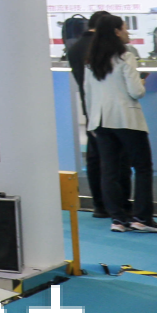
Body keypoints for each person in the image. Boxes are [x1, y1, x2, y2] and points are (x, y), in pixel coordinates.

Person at [82, 12, 157, 234]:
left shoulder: (91, 61)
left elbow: (88, 94)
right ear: (116, 32)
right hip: (126, 119)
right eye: (125, 28)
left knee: (109, 171)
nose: (128, 32)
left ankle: (118, 219)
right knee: (143, 167)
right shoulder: (125, 56)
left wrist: (91, 123)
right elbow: (136, 92)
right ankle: (142, 217)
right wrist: (142, 82)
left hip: (101, 120)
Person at [64, 11, 109, 217]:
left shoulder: (74, 47)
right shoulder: (100, 46)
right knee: (112, 158)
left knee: (94, 156)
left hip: (89, 106)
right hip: (106, 107)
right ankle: (115, 205)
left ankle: (99, 204)